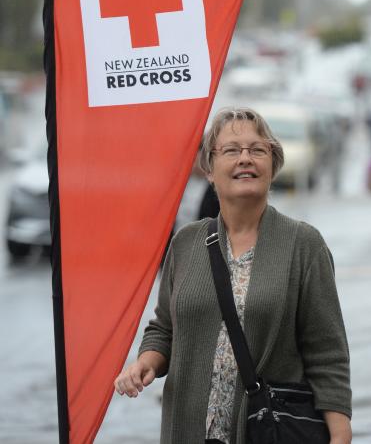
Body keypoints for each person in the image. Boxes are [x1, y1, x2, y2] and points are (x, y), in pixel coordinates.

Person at [114, 107, 352, 444]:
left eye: (257, 150)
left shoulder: (304, 245)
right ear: (209, 169)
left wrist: (340, 434)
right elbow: (164, 327)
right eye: (231, 150)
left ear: (273, 164)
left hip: (270, 431)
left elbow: (327, 353)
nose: (245, 158)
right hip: (188, 430)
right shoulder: (186, 243)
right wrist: (145, 363)